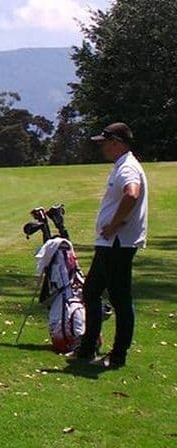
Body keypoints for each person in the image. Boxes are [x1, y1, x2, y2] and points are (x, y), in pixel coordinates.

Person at [70, 122, 148, 368]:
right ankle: (87, 348)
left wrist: (114, 225)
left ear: (117, 143)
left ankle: (117, 355)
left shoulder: (127, 167)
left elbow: (132, 194)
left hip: (117, 243)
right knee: (91, 292)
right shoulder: (121, 165)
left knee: (120, 299)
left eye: (105, 143)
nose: (102, 147)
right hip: (110, 243)